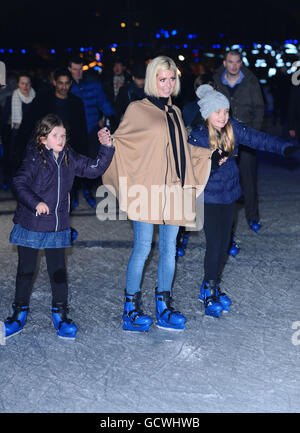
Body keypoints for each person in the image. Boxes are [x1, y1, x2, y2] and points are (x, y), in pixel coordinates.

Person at [98, 56, 211, 332]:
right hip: (147, 190)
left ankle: (163, 304)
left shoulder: (174, 112)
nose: (167, 83)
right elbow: (124, 143)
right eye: (162, 79)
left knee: (169, 249)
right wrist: (108, 144)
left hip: (173, 188)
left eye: (172, 78)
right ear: (152, 80)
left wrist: (209, 154)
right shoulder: (138, 109)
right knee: (143, 248)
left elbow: (180, 150)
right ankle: (130, 309)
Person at [188, 84, 296, 318]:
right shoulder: (197, 136)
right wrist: (213, 165)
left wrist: (283, 147)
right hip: (208, 198)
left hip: (229, 196)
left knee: (224, 244)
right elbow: (190, 168)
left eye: (225, 111)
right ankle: (207, 288)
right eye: (217, 112)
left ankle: (215, 285)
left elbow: (257, 138)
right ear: (207, 113)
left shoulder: (232, 128)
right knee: (215, 245)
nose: (223, 116)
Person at [3, 113, 114, 340]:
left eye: (63, 135)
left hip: (57, 226)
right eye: (55, 135)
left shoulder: (68, 156)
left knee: (58, 273)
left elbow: (93, 169)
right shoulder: (34, 157)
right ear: (43, 138)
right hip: (32, 223)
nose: (61, 139)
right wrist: (36, 202)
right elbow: (19, 183)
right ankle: (18, 313)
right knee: (26, 271)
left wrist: (106, 148)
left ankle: (60, 314)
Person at [213, 50, 265, 233]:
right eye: (230, 61)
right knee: (225, 181)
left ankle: (253, 217)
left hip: (246, 139)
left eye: (237, 62)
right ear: (224, 63)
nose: (234, 65)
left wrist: (253, 132)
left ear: (241, 63)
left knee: (248, 180)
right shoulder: (216, 81)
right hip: (224, 139)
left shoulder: (250, 81)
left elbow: (259, 108)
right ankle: (226, 222)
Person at [68, 57, 116, 208]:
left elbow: (103, 102)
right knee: (72, 163)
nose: (78, 72)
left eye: (80, 68)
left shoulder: (92, 83)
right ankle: (73, 192)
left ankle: (87, 190)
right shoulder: (66, 85)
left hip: (91, 129)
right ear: (69, 69)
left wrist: (113, 116)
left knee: (90, 160)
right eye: (75, 69)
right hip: (73, 132)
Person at [0, 72, 36, 187]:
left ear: (30, 84)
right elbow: (4, 117)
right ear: (18, 84)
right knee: (12, 158)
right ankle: (9, 180)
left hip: (31, 134)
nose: (25, 86)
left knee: (28, 159)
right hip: (14, 133)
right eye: (22, 83)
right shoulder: (12, 97)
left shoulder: (35, 97)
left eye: (27, 83)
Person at [114, 62, 146, 128]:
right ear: (133, 78)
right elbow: (118, 110)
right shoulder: (125, 91)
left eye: (143, 78)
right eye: (139, 78)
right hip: (130, 127)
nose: (142, 81)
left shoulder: (150, 91)